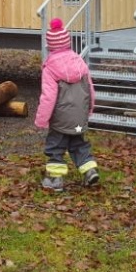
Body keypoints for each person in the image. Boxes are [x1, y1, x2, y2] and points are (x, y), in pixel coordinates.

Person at [33, 18, 100, 192]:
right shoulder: (80, 62)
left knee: (56, 146)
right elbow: (90, 89)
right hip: (79, 118)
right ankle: (89, 169)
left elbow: (48, 97)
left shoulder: (50, 67)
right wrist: (89, 109)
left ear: (51, 46)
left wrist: (41, 120)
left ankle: (55, 179)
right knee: (78, 143)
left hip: (60, 120)